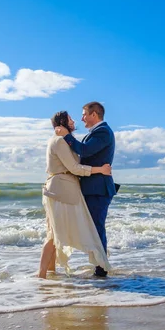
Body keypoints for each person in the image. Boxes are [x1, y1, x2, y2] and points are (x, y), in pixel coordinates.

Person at [38, 111, 112, 279]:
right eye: (70, 118)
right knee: (53, 234)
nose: (74, 121)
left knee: (54, 233)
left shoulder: (62, 141)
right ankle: (41, 275)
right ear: (63, 122)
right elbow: (74, 168)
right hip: (61, 190)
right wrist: (100, 169)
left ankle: (49, 273)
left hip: (61, 189)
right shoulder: (59, 141)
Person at [55, 101, 116, 277]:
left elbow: (85, 150)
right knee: (95, 229)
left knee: (97, 229)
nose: (82, 118)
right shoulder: (97, 132)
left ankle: (101, 270)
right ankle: (100, 265)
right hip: (93, 188)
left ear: (94, 115)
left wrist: (67, 136)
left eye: (84, 114)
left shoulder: (103, 131)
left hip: (98, 189)